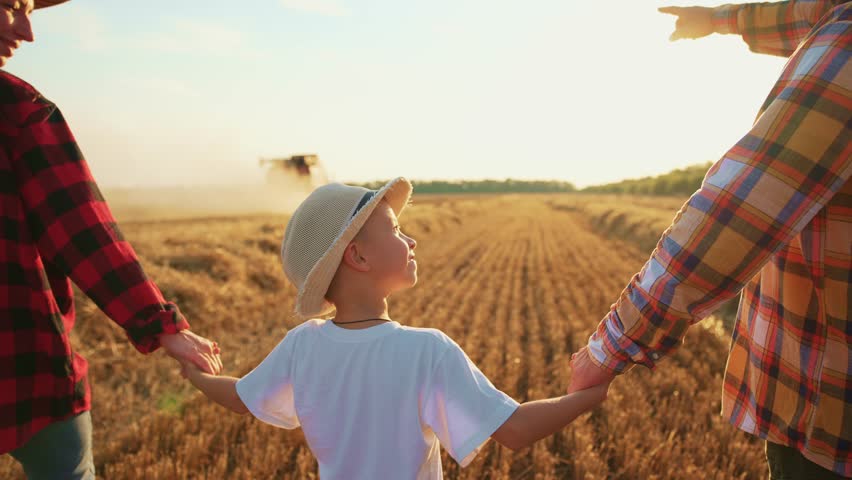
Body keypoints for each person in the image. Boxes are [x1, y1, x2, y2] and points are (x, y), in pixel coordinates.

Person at [569, 2, 850, 479]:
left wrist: (610, 347)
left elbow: (741, 208)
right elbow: (811, 14)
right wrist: (721, 21)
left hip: (832, 419)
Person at [180, 177, 608, 479]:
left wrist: (196, 374)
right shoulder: (426, 351)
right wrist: (587, 394)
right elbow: (514, 430)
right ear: (359, 258)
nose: (412, 241)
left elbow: (240, 397)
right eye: (397, 230)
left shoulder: (302, 346)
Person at [0, 1, 223, 478]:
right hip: (26, 374)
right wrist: (164, 326)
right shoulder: (16, 109)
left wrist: (162, 325)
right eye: (7, 6)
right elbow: (79, 228)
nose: (25, 31)